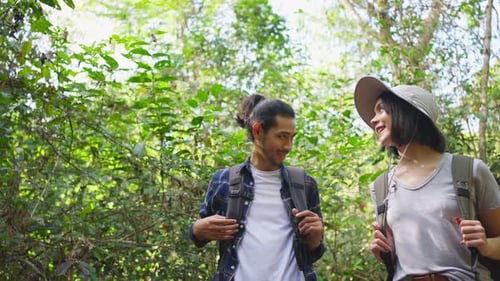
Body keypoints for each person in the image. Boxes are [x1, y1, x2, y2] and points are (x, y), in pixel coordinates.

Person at [353, 76, 500, 281]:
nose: (373, 119)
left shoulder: (469, 171)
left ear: (407, 112)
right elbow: (402, 259)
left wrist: (485, 244)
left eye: (381, 110)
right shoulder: (381, 186)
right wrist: (387, 253)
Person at [188, 94, 325, 281]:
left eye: (292, 137)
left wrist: (316, 236)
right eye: (282, 137)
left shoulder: (304, 184)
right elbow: (200, 234)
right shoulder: (223, 180)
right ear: (258, 131)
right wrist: (197, 229)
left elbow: (314, 253)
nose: (288, 146)